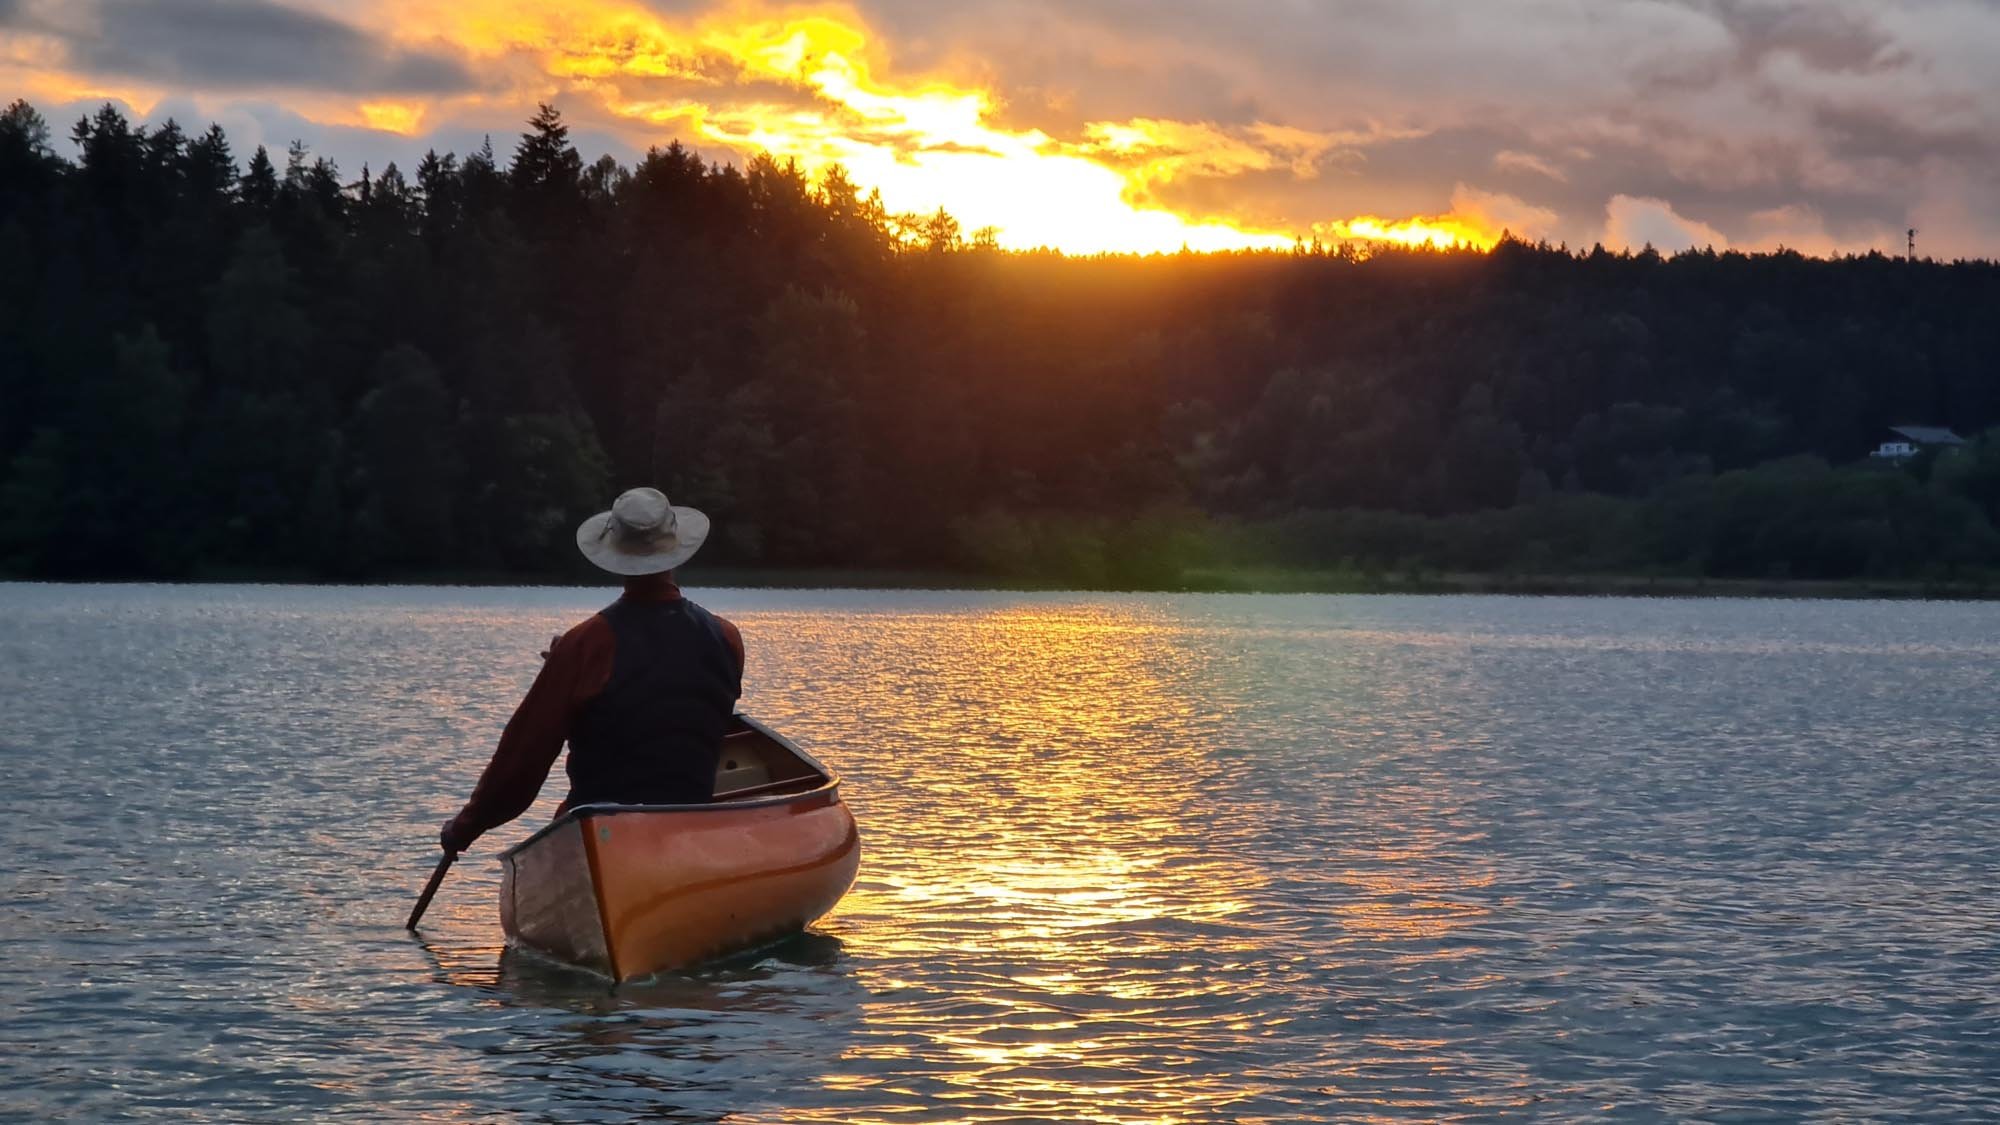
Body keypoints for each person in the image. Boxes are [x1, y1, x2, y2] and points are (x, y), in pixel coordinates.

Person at [439, 487, 744, 854]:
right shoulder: (727, 637)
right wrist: (572, 669)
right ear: (674, 550)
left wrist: (464, 828)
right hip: (688, 835)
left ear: (614, 554)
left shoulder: (584, 644)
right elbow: (671, 695)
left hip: (603, 840)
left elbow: (519, 768)